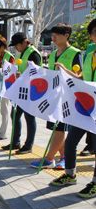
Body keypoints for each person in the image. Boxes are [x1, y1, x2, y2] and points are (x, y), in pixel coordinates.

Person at [50, 19, 96, 198]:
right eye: (93, 32)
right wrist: (64, 70)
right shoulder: (89, 52)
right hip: (85, 105)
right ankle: (70, 175)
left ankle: (94, 183)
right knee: (70, 142)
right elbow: (80, 76)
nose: (94, 35)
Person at [30, 24, 81, 169]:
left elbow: (80, 76)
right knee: (55, 129)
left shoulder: (75, 53)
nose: (53, 38)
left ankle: (49, 158)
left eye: (56, 35)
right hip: (54, 97)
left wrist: (65, 71)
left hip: (68, 99)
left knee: (59, 129)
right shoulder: (52, 55)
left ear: (66, 35)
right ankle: (64, 157)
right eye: (52, 35)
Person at [2, 32, 42, 154]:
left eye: (17, 45)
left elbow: (36, 73)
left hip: (30, 91)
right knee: (15, 114)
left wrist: (21, 75)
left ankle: (28, 145)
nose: (16, 48)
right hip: (21, 90)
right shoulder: (24, 52)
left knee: (29, 118)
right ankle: (15, 142)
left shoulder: (33, 54)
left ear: (23, 42)